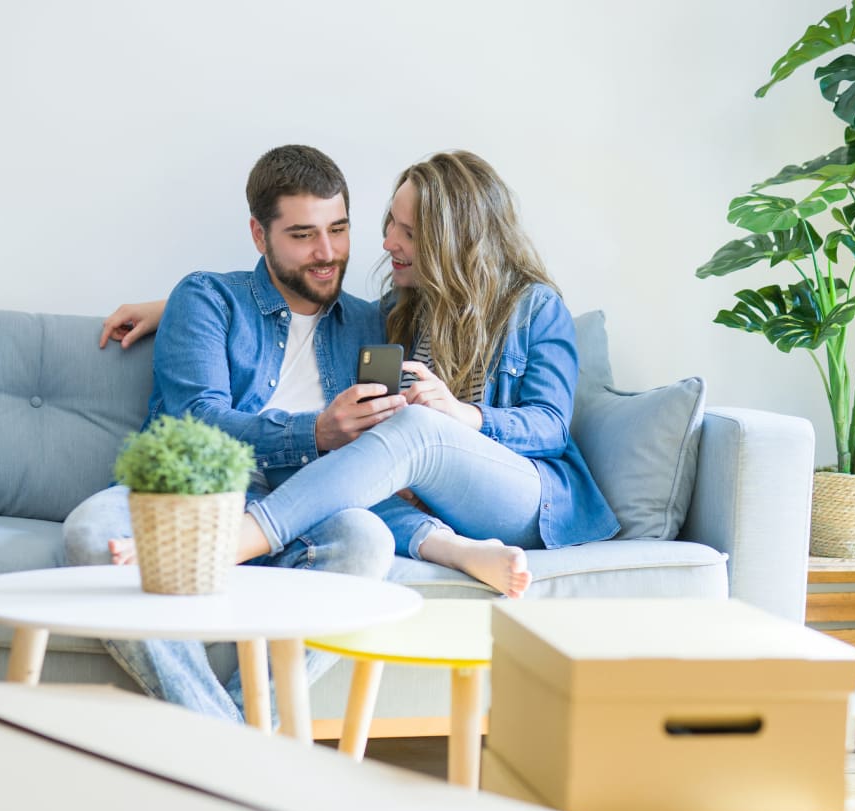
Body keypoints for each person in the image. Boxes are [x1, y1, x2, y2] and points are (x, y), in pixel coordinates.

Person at [104, 150, 620, 607]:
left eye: (410, 233)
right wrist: (177, 307)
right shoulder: (398, 311)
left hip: (527, 497)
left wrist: (460, 415)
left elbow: (551, 426)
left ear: (452, 242)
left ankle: (241, 536)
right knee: (341, 453)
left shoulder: (533, 307)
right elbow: (296, 304)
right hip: (438, 503)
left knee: (416, 427)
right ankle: (449, 547)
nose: (388, 241)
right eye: (389, 222)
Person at [65, 144, 401, 721]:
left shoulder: (372, 322)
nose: (327, 254)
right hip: (185, 501)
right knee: (93, 532)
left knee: (368, 541)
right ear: (258, 234)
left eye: (339, 229)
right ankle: (233, 744)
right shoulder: (205, 298)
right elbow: (200, 422)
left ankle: (222, 742)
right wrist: (316, 431)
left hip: (298, 511)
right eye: (302, 235)